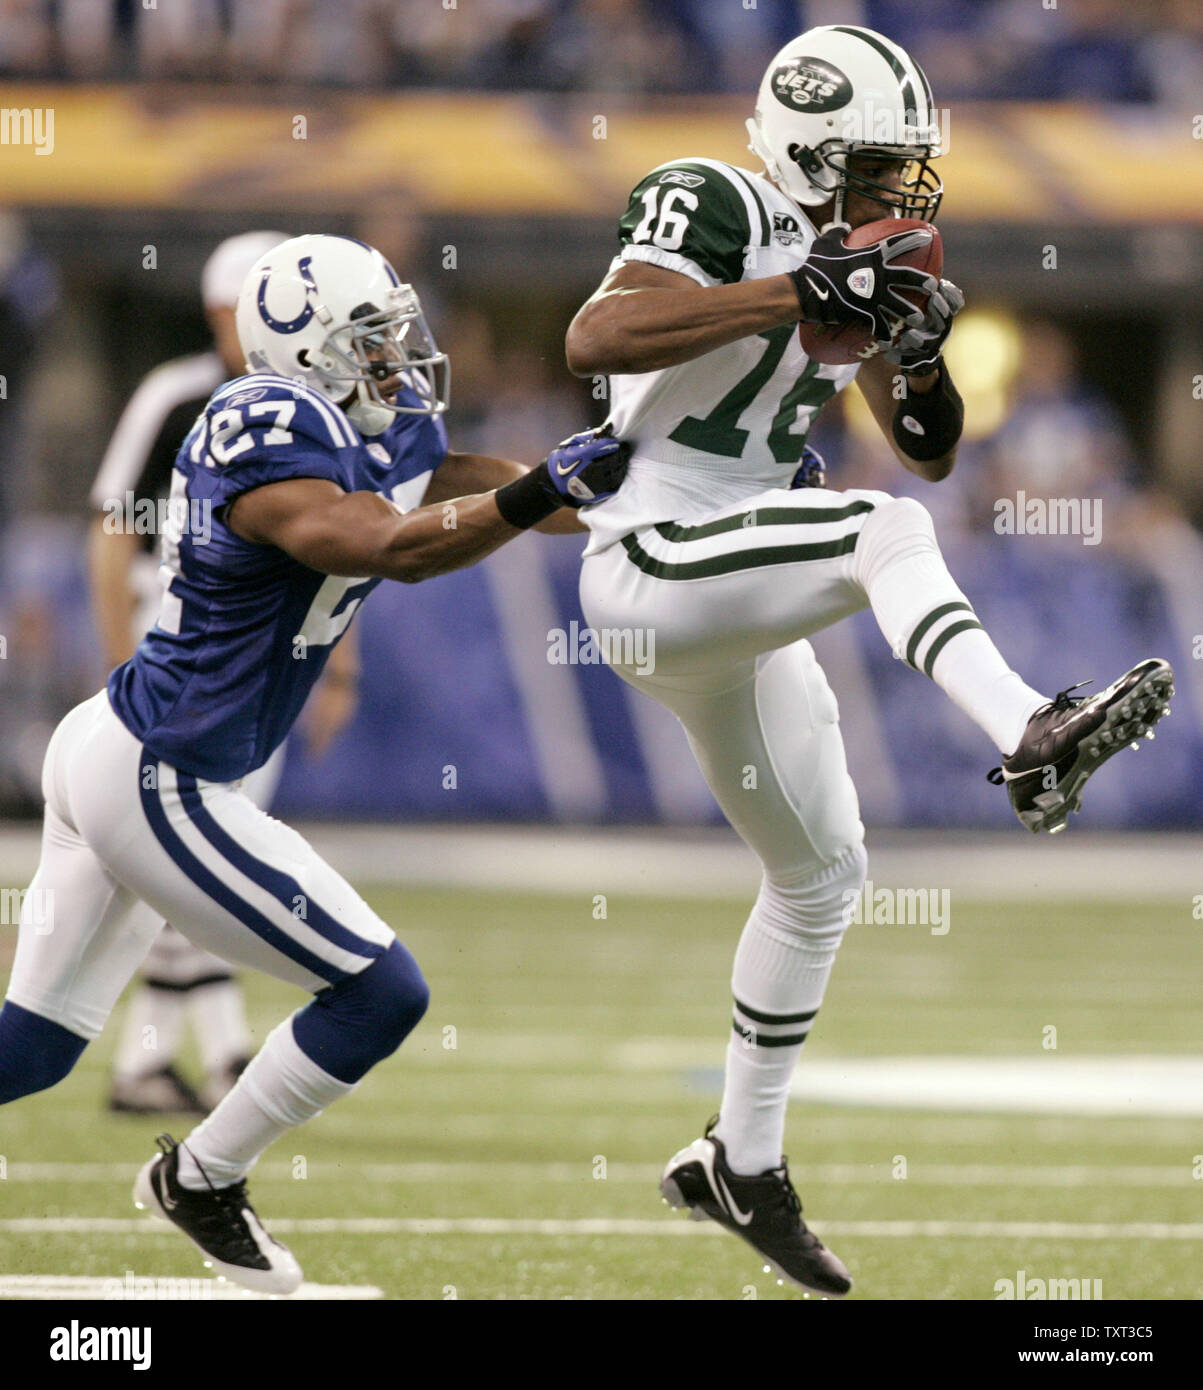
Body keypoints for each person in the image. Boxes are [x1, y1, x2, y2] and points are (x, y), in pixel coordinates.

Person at [565, 24, 1173, 1297]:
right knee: (881, 531)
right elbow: (599, 339)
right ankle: (1027, 733)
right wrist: (799, 293)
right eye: (885, 160)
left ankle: (743, 1156)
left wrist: (913, 346)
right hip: (653, 550)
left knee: (824, 870)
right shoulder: (718, 195)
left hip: (735, 574)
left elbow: (930, 448)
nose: (906, 184)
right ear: (811, 145)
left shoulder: (876, 246)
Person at [0, 232, 629, 1295]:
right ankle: (203, 1174)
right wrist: (530, 498)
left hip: (130, 745)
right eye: (372, 343)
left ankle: (202, 1173)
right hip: (160, 771)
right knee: (381, 992)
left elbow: (486, 485)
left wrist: (660, 490)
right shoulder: (263, 422)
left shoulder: (361, 420)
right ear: (304, 349)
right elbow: (381, 541)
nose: (398, 363)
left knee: (31, 1051)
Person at [89, 229, 360, 1117]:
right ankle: (211, 1053)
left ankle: (160, 1058)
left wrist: (339, 662)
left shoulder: (321, 406)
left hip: (258, 637)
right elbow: (113, 523)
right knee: (198, 840)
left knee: (206, 842)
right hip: (180, 633)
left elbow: (342, 546)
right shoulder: (184, 395)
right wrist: (119, 656)